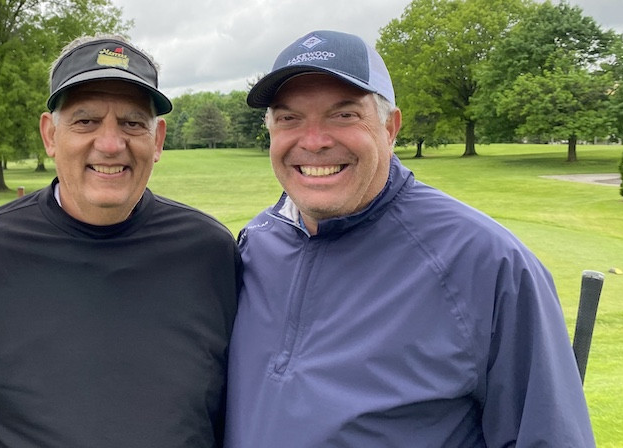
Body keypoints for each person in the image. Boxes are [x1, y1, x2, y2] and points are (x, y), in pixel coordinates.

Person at [225, 30, 594, 447]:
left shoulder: (488, 262)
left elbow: (549, 437)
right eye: (289, 118)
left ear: (390, 127)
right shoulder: (257, 240)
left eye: (344, 115)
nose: (314, 141)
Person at [0, 34, 241, 447]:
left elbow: (245, 410)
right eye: (85, 121)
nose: (109, 144)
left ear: (156, 141)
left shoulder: (209, 252)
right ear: (50, 134)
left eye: (132, 123)